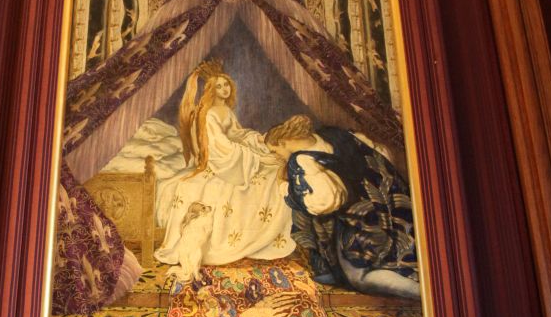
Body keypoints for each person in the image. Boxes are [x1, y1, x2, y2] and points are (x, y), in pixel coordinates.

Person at [154, 61, 293, 284]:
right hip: (220, 164)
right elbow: (219, 147)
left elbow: (236, 134)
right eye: (219, 86)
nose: (224, 89)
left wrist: (257, 140)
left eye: (226, 85)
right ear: (211, 89)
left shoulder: (225, 110)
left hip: (234, 159)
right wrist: (254, 157)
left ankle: (266, 235)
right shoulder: (208, 114)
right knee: (262, 172)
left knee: (275, 168)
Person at [264, 114, 420, 299]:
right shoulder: (334, 135)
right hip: (389, 206)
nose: (276, 157)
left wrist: (287, 189)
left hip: (361, 220)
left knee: (360, 277)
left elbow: (324, 204)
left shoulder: (301, 161)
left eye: (274, 151)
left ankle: (422, 292)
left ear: (283, 142)